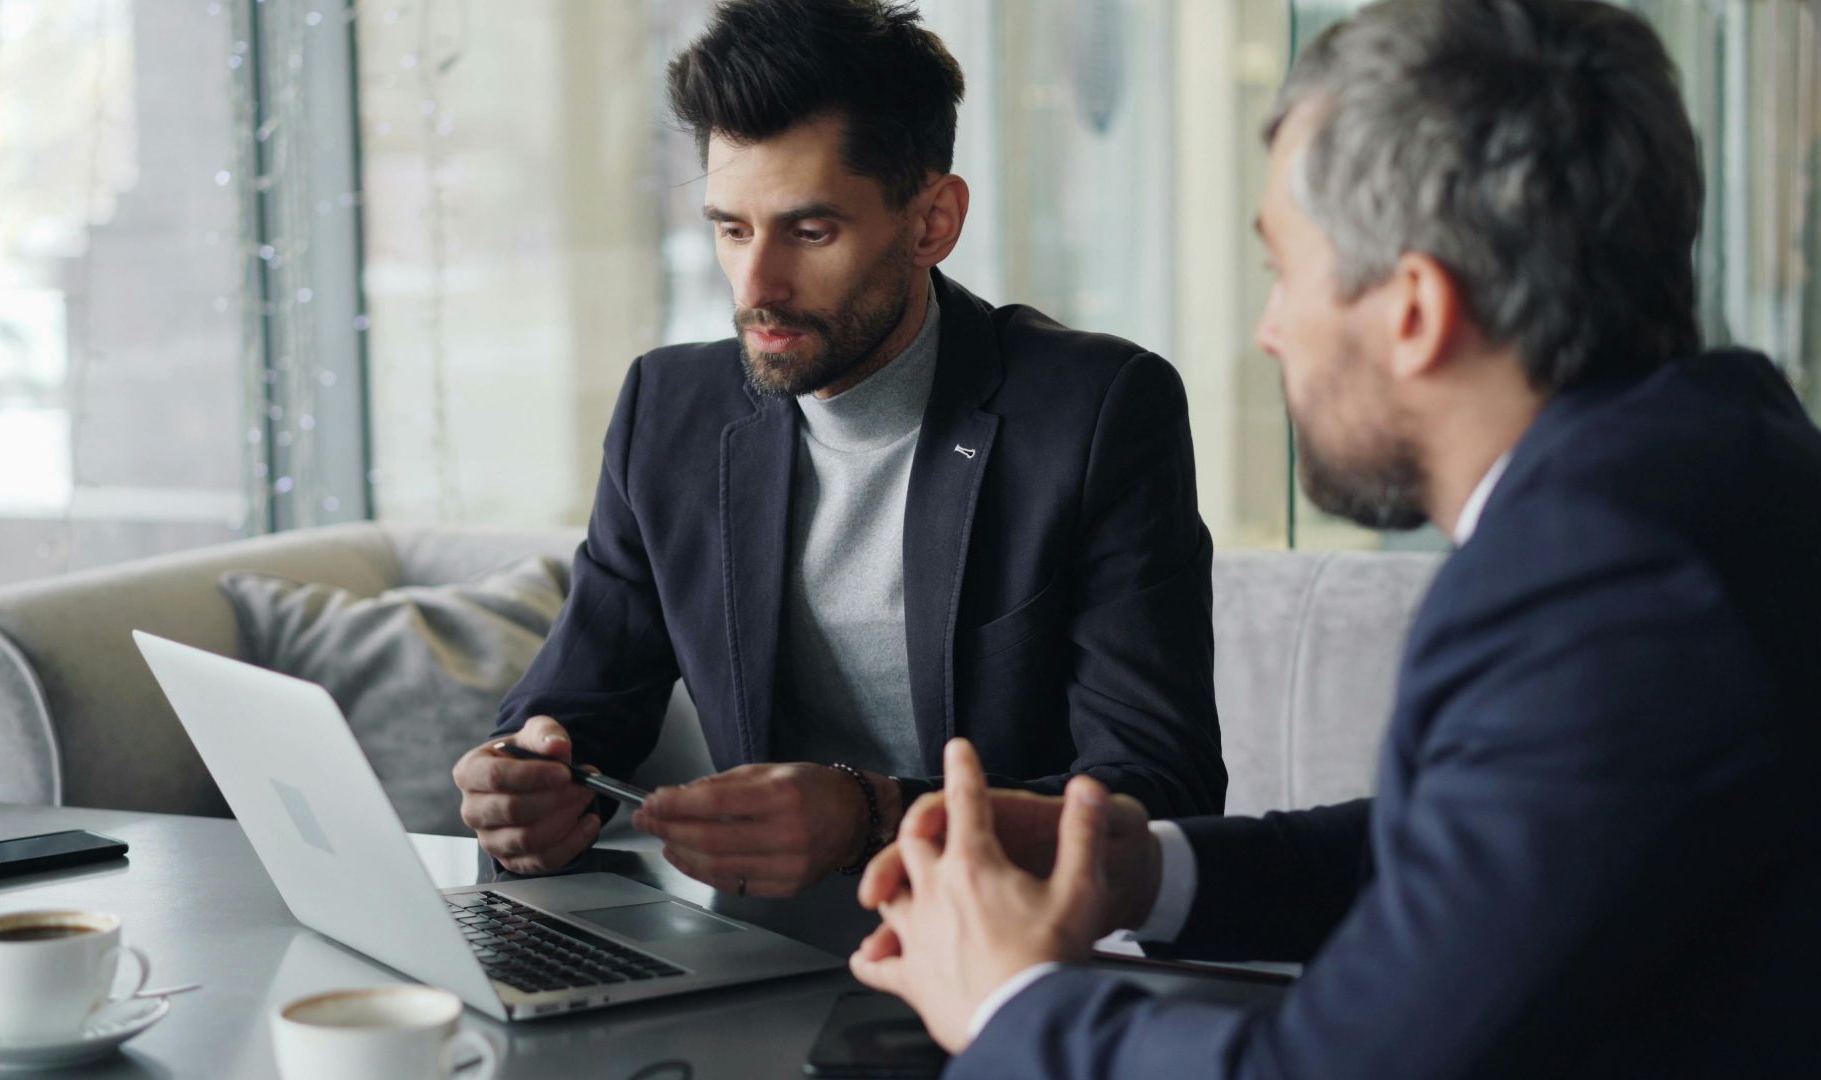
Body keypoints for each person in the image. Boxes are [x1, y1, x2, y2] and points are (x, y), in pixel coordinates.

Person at [849, 0, 1821, 1074]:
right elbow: (1480, 874)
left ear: (1413, 308)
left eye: (1284, 270)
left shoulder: (1612, 586)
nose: (1269, 330)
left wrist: (1006, 1004)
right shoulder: (1718, 467)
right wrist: (1143, 872)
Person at [450, 0, 1226, 899]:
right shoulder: (668, 412)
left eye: (809, 232)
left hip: (1011, 946)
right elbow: (576, 708)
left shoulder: (1094, 413)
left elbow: (1161, 795)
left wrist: (874, 816)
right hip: (751, 948)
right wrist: (525, 780)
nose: (756, 287)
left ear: (932, 222)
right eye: (731, 229)